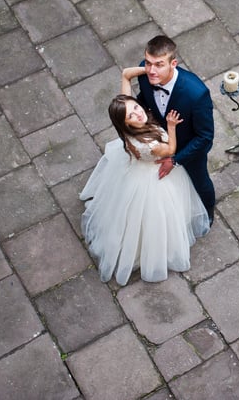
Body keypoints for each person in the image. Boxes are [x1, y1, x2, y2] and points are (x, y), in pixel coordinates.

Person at [79, 67, 210, 285]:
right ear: (126, 123)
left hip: (136, 171)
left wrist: (152, 69)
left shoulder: (125, 125)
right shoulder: (148, 144)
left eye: (135, 107)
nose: (137, 112)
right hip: (155, 177)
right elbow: (170, 150)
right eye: (131, 116)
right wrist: (171, 127)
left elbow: (126, 74)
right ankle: (153, 249)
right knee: (158, 216)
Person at [136, 35, 216, 223]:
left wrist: (175, 160)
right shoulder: (145, 74)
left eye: (159, 65)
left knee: (200, 182)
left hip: (188, 148)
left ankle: (208, 213)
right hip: (159, 140)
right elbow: (144, 99)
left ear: (173, 64)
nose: (151, 71)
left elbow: (205, 137)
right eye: (148, 63)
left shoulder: (196, 94)